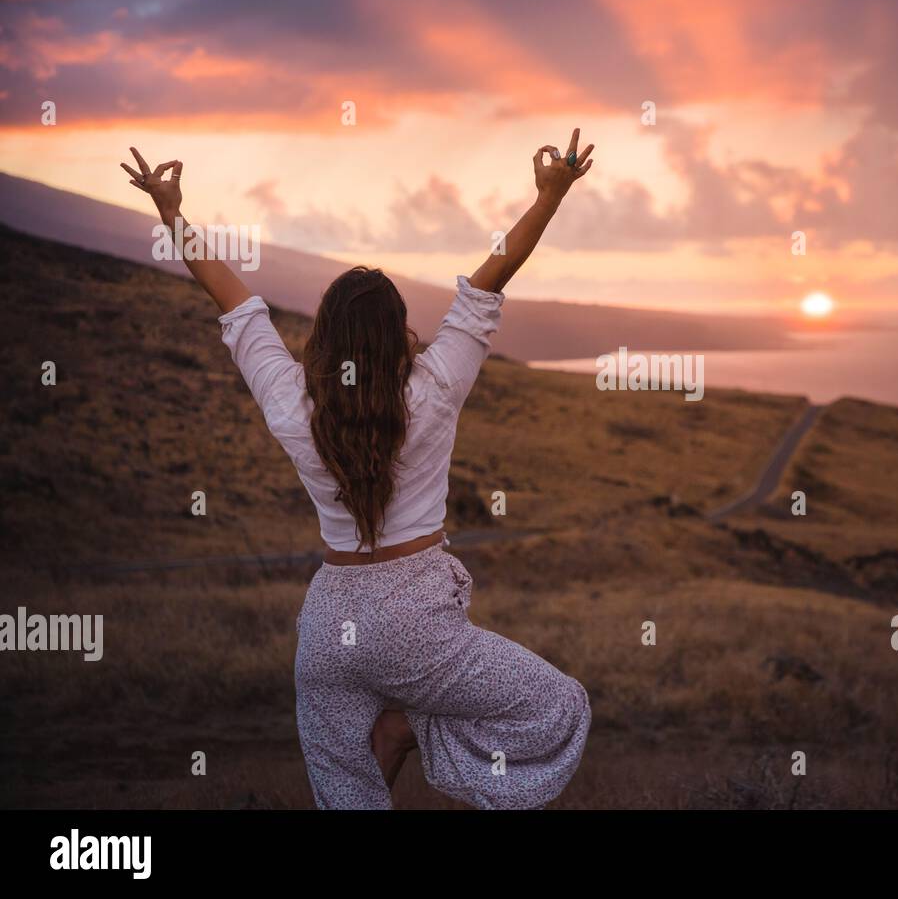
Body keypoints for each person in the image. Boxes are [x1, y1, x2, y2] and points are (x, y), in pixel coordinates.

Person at [120, 131, 596, 809]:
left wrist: (171, 214)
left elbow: (233, 302)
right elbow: (490, 280)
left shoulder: (292, 403)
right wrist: (550, 195)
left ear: (326, 337)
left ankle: (399, 735)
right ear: (397, 330)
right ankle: (405, 727)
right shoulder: (432, 390)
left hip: (327, 627)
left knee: (346, 795)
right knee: (558, 705)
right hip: (413, 619)